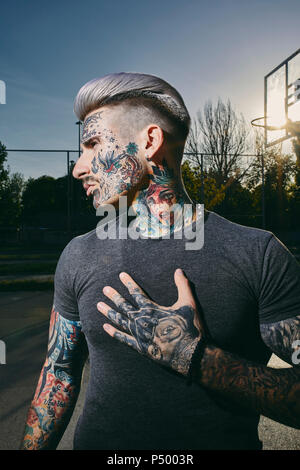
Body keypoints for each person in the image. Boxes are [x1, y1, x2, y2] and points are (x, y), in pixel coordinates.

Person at [21, 73, 300, 450]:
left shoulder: (258, 254)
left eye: (92, 144)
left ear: (150, 141)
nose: (78, 168)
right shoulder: (79, 254)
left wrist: (195, 357)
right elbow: (59, 374)